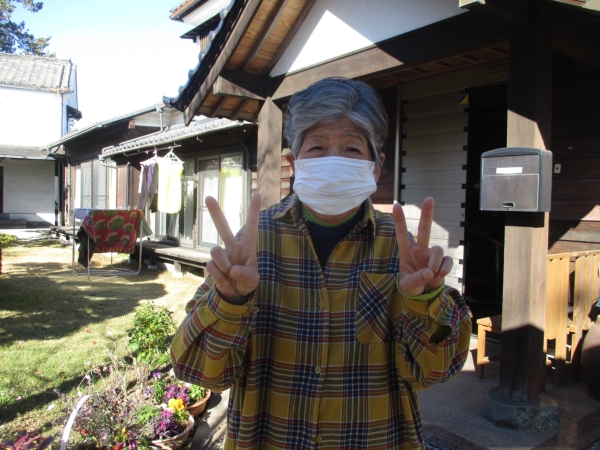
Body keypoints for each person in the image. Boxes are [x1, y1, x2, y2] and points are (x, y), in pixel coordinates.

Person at [171, 77, 472, 450]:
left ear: (376, 167)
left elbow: (438, 370)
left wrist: (427, 302)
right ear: (293, 162)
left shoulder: (401, 252)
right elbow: (197, 369)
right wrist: (229, 303)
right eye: (317, 146)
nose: (334, 161)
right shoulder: (252, 245)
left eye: (351, 148)